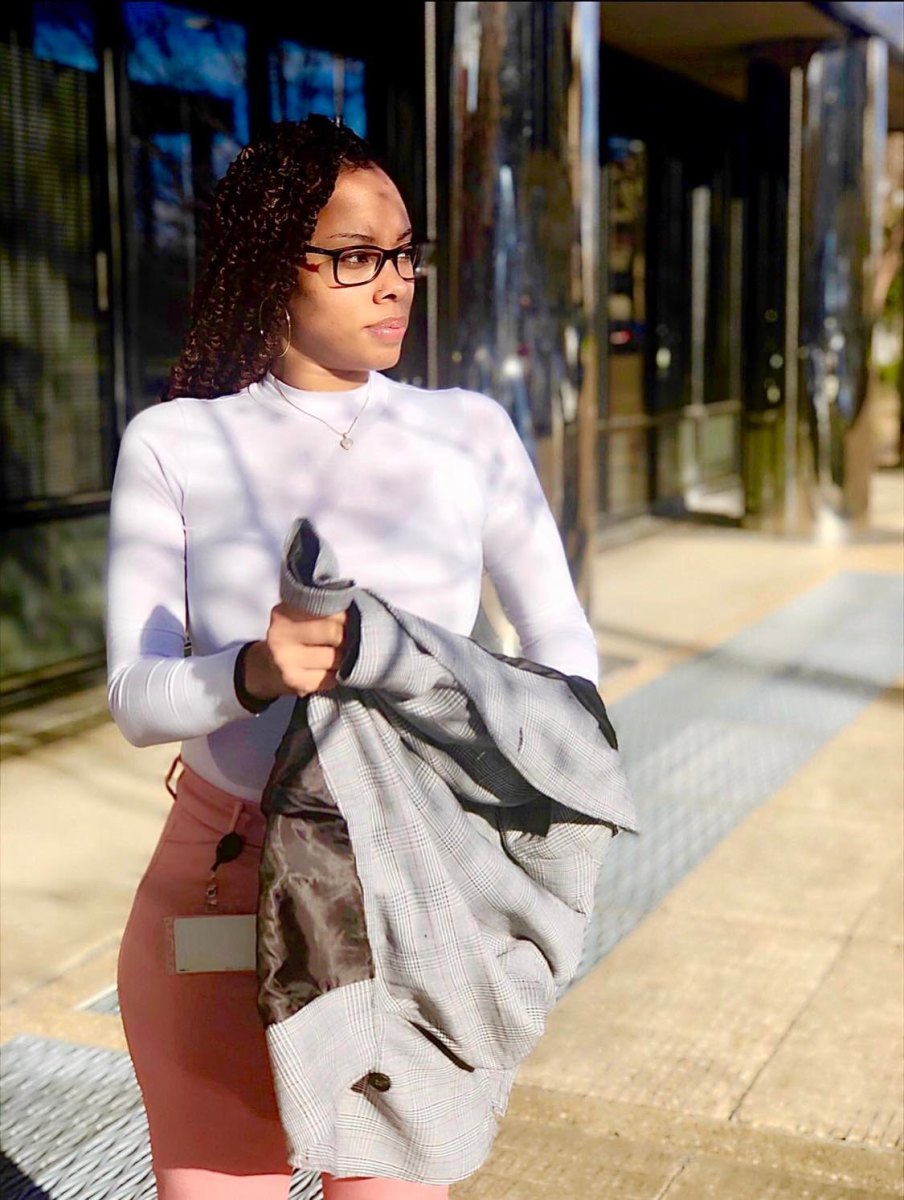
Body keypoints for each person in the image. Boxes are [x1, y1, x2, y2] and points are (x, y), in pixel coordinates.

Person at [106, 114, 601, 1200]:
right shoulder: (178, 441)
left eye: (405, 253)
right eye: (356, 256)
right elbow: (135, 697)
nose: (395, 284)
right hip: (227, 873)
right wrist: (253, 669)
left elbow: (562, 644)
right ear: (270, 264)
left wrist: (518, 771)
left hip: (419, 876)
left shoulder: (468, 430)